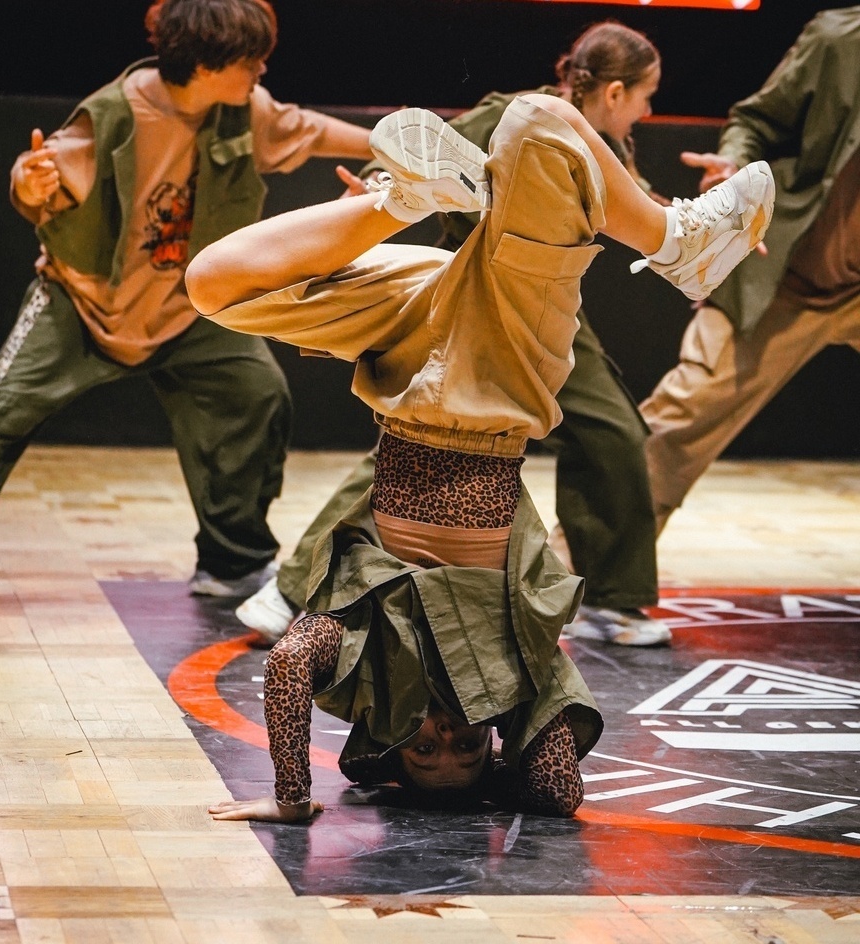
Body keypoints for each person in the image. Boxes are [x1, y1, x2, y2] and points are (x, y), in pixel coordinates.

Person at [185, 97, 773, 821]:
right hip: (502, 365)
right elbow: (559, 791)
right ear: (489, 743)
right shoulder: (514, 667)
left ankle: (402, 200)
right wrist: (506, 768)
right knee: (538, 123)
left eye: (424, 751)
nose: (443, 735)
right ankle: (677, 242)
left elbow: (284, 664)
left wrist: (291, 796)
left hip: (405, 347)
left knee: (212, 283)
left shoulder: (367, 653)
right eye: (465, 748)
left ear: (393, 745)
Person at [239, 22, 676, 648]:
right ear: (613, 92)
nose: (648, 110)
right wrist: (379, 188)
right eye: (646, 95)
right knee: (423, 448)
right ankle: (291, 589)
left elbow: (638, 206)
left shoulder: (606, 142)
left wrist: (688, 229)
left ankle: (612, 597)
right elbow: (416, 151)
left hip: (543, 309)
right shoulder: (519, 116)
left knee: (605, 432)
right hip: (484, 304)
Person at [0, 0, 372, 597]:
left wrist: (390, 143)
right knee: (4, 409)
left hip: (187, 310)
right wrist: (27, 182)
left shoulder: (244, 112)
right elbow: (37, 176)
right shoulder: (114, 115)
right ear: (206, 64)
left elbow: (310, 129)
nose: (261, 71)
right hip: (84, 305)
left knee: (255, 395)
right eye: (251, 61)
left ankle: (231, 564)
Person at [637, 7, 860, 534]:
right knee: (681, 419)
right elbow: (756, 121)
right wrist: (733, 169)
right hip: (790, 275)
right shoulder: (840, 39)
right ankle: (592, 568)